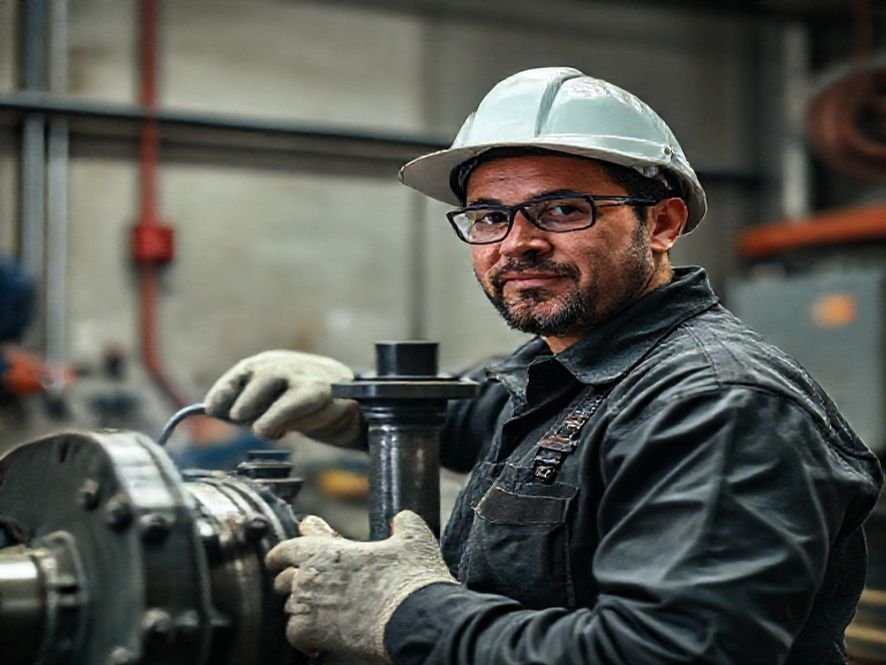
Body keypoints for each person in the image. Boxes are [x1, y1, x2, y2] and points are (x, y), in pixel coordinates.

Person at [205, 67, 884, 665]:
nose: (518, 243)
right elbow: (487, 408)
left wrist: (407, 611)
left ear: (662, 224)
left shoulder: (718, 401)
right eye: (489, 216)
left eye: (563, 208)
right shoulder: (567, 364)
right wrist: (349, 399)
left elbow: (672, 651)